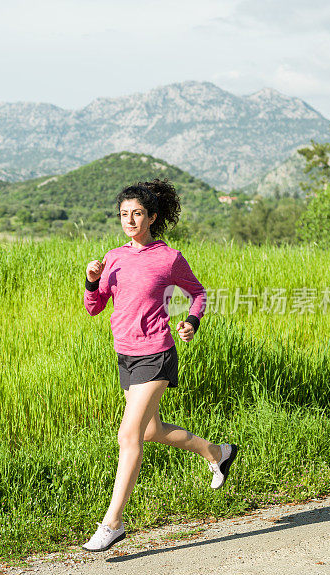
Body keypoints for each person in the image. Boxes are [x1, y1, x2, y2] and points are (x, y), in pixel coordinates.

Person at [81, 178, 238, 552]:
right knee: (150, 431)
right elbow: (95, 306)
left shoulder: (169, 258)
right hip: (126, 354)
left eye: (137, 214)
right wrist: (91, 282)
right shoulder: (114, 257)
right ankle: (218, 453)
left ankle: (113, 523)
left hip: (157, 353)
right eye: (124, 214)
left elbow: (198, 293)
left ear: (151, 217)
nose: (129, 220)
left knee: (127, 436)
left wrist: (192, 321)